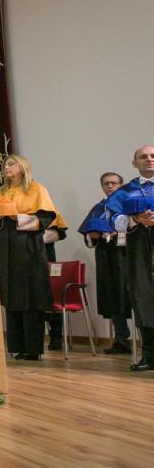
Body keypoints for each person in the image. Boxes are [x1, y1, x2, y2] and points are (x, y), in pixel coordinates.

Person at [0, 154, 60, 361]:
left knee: (30, 295)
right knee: (11, 295)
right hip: (5, 245)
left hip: (28, 246)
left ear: (23, 167)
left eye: (11, 164)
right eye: (4, 164)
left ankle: (33, 348)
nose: (6, 167)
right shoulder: (1, 191)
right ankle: (16, 346)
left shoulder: (36, 189)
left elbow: (46, 218)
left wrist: (18, 217)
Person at [107, 145, 154, 371]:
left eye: (153, 156)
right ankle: (150, 356)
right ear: (135, 163)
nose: (149, 160)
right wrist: (137, 219)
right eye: (143, 157)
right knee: (143, 297)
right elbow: (113, 219)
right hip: (139, 249)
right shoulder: (125, 191)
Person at [80, 172, 130, 354]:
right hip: (105, 257)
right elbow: (88, 234)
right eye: (106, 184)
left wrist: (121, 233)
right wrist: (92, 235)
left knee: (130, 295)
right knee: (112, 296)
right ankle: (122, 339)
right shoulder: (99, 208)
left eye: (114, 183)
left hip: (127, 256)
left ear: (121, 185)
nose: (110, 186)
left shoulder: (129, 204)